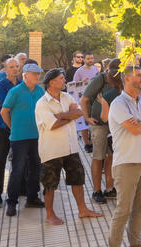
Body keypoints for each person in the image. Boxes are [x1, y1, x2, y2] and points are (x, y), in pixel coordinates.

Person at [34, 69, 103, 225]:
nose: (65, 80)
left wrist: (61, 116)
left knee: (78, 179)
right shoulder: (42, 104)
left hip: (71, 148)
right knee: (50, 184)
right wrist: (67, 116)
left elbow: (78, 112)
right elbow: (53, 125)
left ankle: (83, 210)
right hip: (52, 150)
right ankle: (50, 214)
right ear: (51, 83)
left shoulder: (67, 96)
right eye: (61, 78)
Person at [106, 65, 141, 247]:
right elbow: (135, 129)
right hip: (126, 163)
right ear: (127, 79)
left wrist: (139, 125)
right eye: (138, 75)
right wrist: (140, 126)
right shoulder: (118, 104)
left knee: (140, 208)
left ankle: (136, 243)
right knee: (123, 210)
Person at [0, 60, 46, 217]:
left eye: (39, 73)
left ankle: (32, 198)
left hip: (37, 136)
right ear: (25, 76)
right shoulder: (15, 91)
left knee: (36, 168)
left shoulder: (40, 90)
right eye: (35, 74)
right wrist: (12, 127)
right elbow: (4, 112)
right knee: (17, 170)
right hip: (19, 138)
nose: (38, 76)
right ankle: (12, 203)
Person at [81, 60, 120, 204]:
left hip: (114, 125)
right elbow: (84, 99)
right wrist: (86, 118)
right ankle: (96, 190)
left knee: (111, 156)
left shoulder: (122, 79)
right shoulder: (100, 79)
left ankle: (110, 189)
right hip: (99, 124)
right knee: (98, 156)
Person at [0, 56, 20, 206]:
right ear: (6, 69)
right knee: (0, 161)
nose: (15, 69)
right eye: (11, 67)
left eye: (17, 66)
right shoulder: (1, 85)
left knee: (19, 162)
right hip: (3, 128)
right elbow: (1, 103)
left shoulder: (23, 84)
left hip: (20, 128)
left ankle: (17, 192)